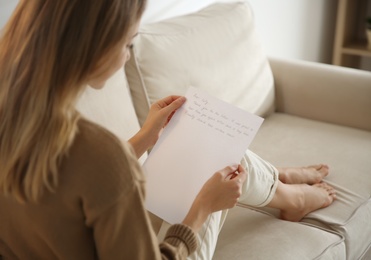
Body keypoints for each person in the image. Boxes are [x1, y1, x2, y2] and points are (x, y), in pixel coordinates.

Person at [0, 1, 336, 260]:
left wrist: (146, 137)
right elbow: (97, 167)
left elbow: (72, 175)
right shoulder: (100, 153)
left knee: (205, 147)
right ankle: (289, 195)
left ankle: (280, 182)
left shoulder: (20, 119)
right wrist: (204, 207)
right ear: (94, 48)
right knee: (213, 167)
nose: (128, 57)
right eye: (129, 44)